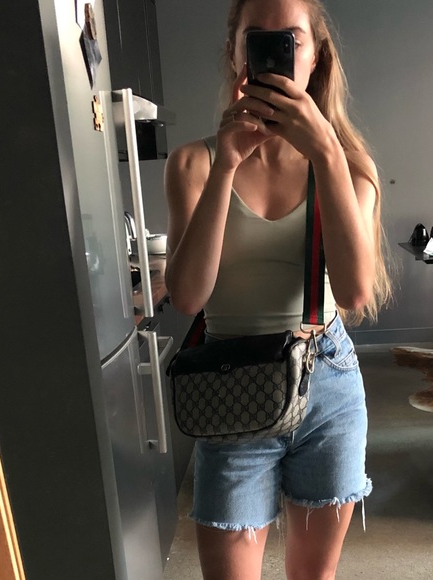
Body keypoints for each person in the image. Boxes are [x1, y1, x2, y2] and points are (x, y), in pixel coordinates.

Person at [164, 0, 392, 578]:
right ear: (235, 54)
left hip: (329, 382)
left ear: (315, 57)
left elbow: (354, 291)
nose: (275, 57)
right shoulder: (194, 163)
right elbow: (187, 298)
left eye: (290, 40)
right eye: (257, 41)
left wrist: (326, 153)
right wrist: (225, 167)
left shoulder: (350, 167)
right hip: (231, 384)